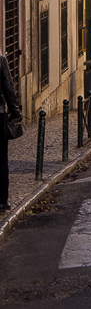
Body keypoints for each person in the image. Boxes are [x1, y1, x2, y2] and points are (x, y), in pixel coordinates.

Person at [0, 53, 21, 212]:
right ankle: (2, 201)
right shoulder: (0, 60)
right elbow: (9, 88)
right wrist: (15, 112)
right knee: (1, 160)